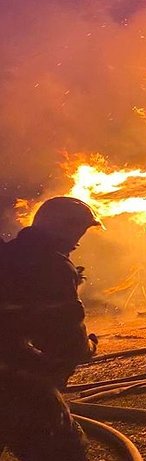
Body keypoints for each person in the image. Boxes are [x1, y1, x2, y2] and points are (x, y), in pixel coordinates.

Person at [0, 196, 102, 461]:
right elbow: (68, 339)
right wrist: (88, 347)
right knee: (64, 449)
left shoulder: (9, 254)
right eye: (78, 230)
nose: (78, 240)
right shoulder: (52, 265)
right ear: (65, 229)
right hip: (13, 380)